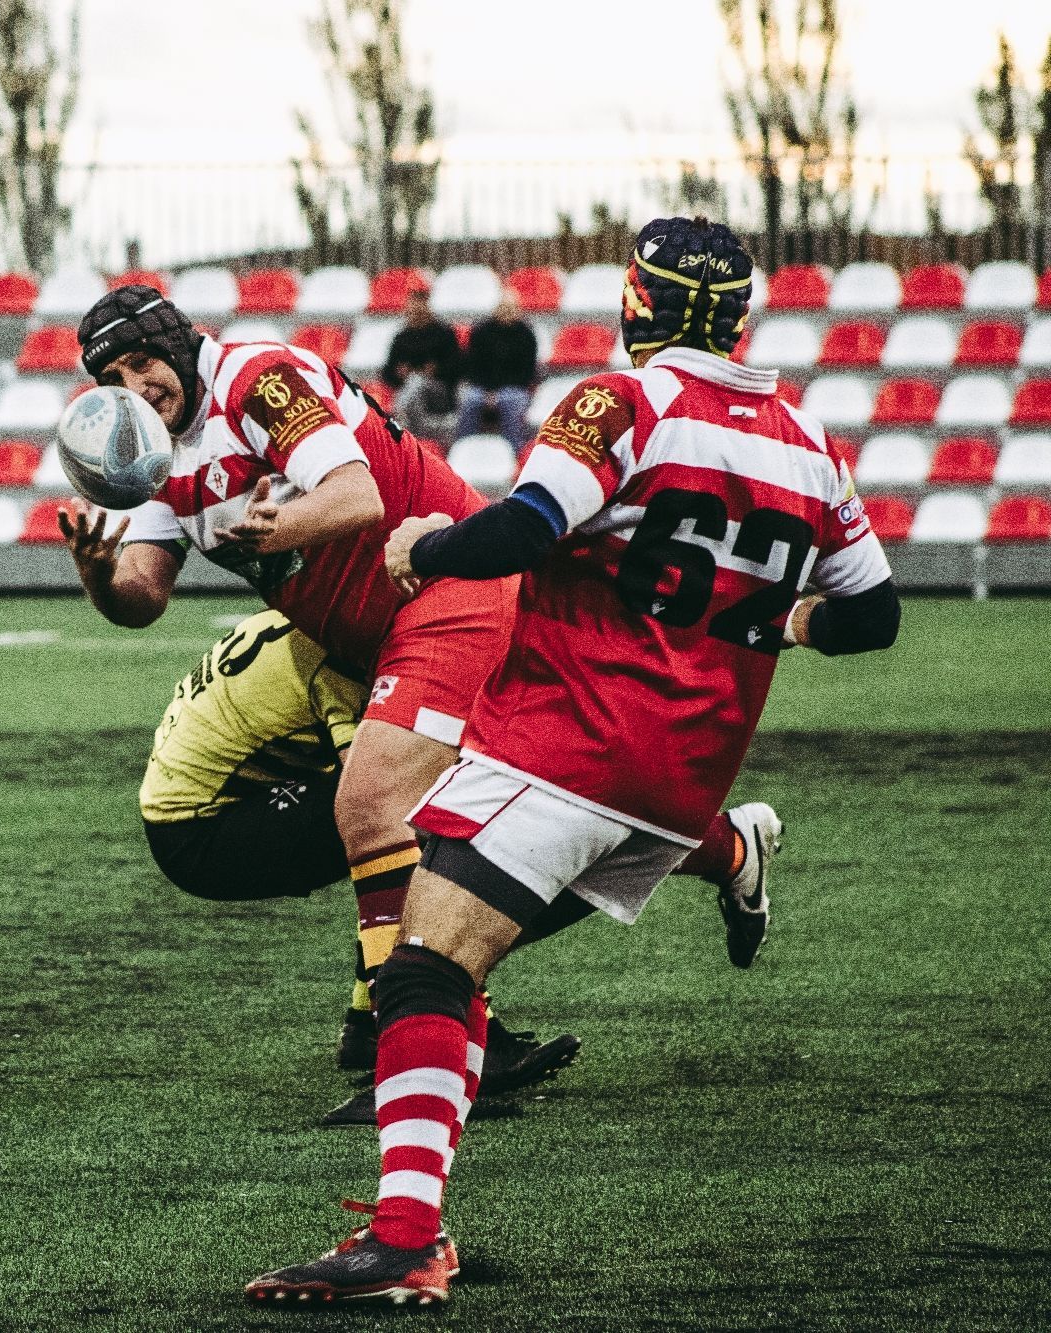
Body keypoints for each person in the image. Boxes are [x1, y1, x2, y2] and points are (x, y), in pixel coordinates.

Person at [245, 217, 898, 1308]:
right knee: (454, 963)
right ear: (742, 317)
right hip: (681, 781)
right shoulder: (809, 443)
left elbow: (523, 529)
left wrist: (424, 548)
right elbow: (871, 614)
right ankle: (727, 847)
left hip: (565, 745)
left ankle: (406, 1236)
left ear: (634, 305)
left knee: (421, 971)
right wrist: (790, 630)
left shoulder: (621, 402)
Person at [61, 284, 523, 1106]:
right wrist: (99, 576)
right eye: (116, 380)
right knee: (458, 809)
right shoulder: (159, 454)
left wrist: (280, 530)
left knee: (372, 806)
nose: (137, 388)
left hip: (441, 585)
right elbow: (144, 595)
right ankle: (443, 1031)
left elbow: (359, 497)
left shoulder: (257, 378)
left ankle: (420, 1052)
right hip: (373, 638)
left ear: (174, 341)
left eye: (143, 362)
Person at [142, 609, 781, 1128]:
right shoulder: (349, 651)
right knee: (428, 827)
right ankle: (435, 1026)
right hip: (211, 829)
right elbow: (382, 803)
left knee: (437, 830)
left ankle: (381, 1021)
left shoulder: (333, 622)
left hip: (213, 809)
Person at [454, 290, 537, 451]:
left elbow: (526, 372)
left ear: (519, 310)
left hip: (514, 388)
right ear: (496, 309)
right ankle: (462, 449)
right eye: (503, 307)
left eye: (511, 308)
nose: (507, 312)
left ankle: (514, 452)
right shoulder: (481, 332)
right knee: (469, 401)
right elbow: (473, 367)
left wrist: (497, 394)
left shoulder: (527, 335)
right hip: (482, 387)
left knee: (511, 402)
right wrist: (488, 392)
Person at [381, 286, 460, 445]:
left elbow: (458, 367)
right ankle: (414, 437)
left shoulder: (443, 333)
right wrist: (399, 374)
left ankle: (403, 437)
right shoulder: (402, 337)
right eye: (413, 306)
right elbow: (387, 373)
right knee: (414, 383)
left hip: (439, 391)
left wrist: (436, 371)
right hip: (411, 392)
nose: (417, 309)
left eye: (420, 304)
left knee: (416, 382)